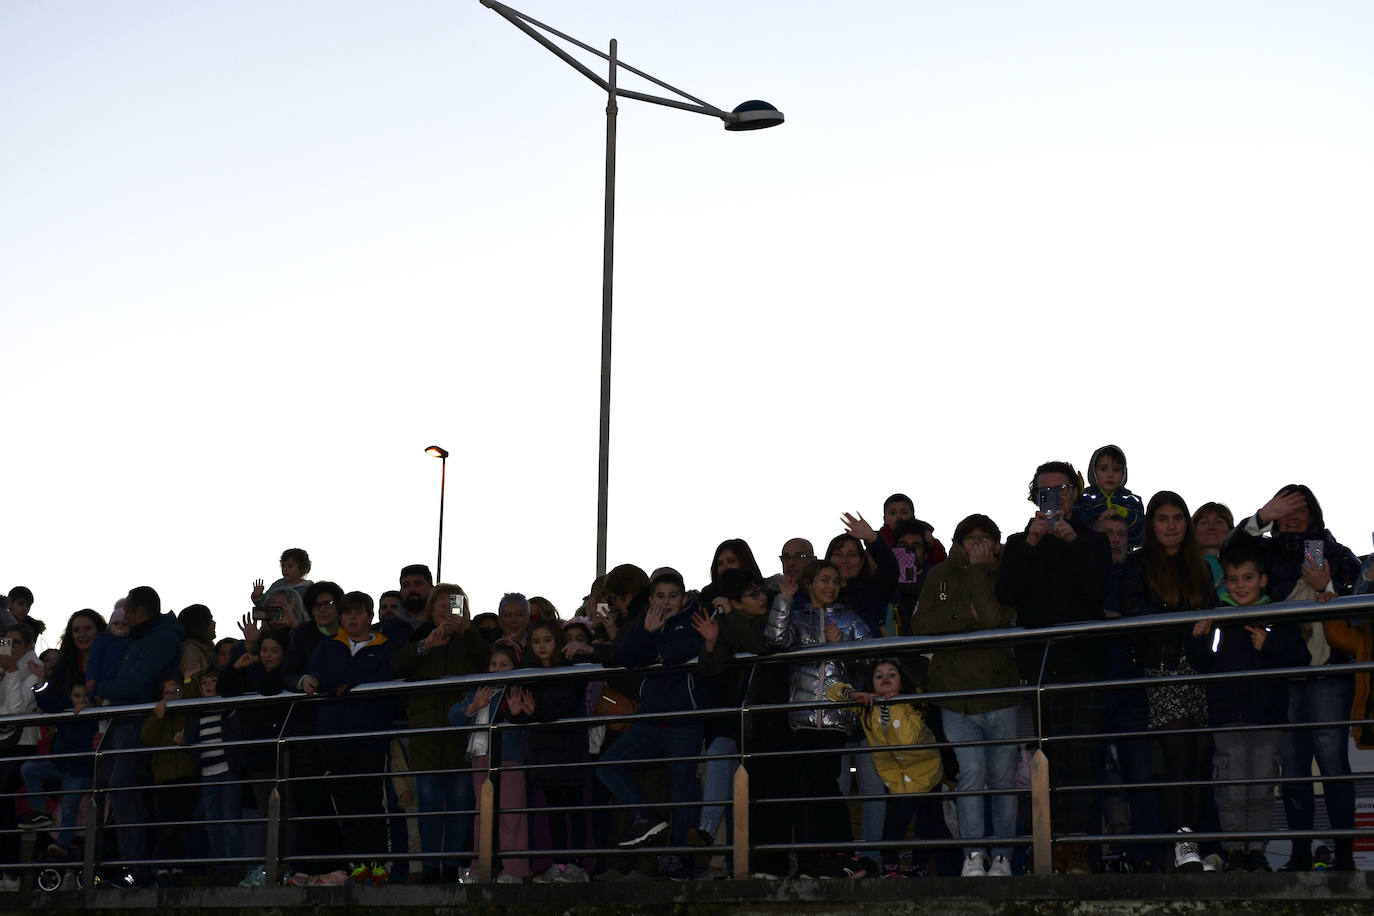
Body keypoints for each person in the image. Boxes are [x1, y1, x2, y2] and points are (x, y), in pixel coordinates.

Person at [1234, 484, 1362, 871]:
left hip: (1328, 671)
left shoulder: (1335, 551)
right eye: (1285, 509)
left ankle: (1344, 857)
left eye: (1300, 510)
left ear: (1315, 515)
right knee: (1292, 766)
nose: (1292, 517)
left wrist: (1327, 587)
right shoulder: (1263, 551)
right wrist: (1261, 516)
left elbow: (1361, 594)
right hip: (1284, 667)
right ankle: (1300, 854)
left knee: (1332, 760)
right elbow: (1230, 553)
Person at [995, 460, 1111, 874]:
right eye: (1046, 491)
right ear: (1034, 497)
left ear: (1075, 493)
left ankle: (1078, 849)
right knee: (1047, 759)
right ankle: (1051, 846)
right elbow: (1007, 592)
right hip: (1041, 665)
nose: (1055, 497)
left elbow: (1098, 589)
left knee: (1084, 759)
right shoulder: (1019, 542)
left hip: (1083, 662)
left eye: (1062, 488)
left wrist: (1073, 541)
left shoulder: (1093, 540)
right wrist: (1031, 543)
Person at [1188, 538, 1309, 872]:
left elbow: (1301, 659)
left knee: (1261, 788)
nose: (1240, 586)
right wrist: (1197, 638)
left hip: (1267, 719)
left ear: (1263, 580)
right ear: (1224, 582)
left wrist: (1270, 644)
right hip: (1227, 718)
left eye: (1247, 578)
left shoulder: (1278, 616)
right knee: (1231, 788)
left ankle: (1256, 849)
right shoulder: (1217, 618)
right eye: (1233, 579)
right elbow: (1201, 663)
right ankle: (1234, 851)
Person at [912, 514, 1019, 878]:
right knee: (971, 775)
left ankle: (1003, 857)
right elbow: (920, 624)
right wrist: (963, 613)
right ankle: (972, 855)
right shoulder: (939, 575)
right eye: (970, 538)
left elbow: (995, 618)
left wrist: (978, 573)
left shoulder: (1006, 572)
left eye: (984, 538)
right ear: (957, 543)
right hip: (956, 696)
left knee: (1003, 780)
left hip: (1001, 693)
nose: (978, 544)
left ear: (996, 543)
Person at [1122, 491, 1218, 872]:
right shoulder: (1138, 563)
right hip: (1160, 670)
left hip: (1197, 670)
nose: (1171, 525)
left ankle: (1195, 844)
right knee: (1177, 758)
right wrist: (1184, 621)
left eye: (1178, 518)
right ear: (1151, 524)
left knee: (1199, 761)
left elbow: (1212, 612)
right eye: (1163, 518)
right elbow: (1133, 610)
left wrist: (1205, 624)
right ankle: (1183, 844)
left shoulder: (1201, 567)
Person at [765, 556, 872, 879]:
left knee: (825, 783)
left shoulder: (850, 619)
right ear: (810, 584)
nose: (831, 586)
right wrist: (784, 599)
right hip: (801, 719)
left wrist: (843, 643)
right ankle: (810, 861)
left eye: (835, 581)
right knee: (803, 788)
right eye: (824, 580)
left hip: (836, 719)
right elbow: (775, 640)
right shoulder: (797, 617)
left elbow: (870, 658)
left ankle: (841, 854)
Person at [595, 569, 706, 880]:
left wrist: (652, 642)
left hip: (685, 717)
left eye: (672, 596)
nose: (666, 602)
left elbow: (677, 652)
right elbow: (624, 656)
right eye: (660, 596)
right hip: (652, 716)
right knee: (608, 765)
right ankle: (647, 816)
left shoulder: (695, 617)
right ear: (651, 599)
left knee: (682, 789)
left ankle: (682, 860)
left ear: (683, 598)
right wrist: (646, 631)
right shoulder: (646, 621)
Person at [391, 583, 490, 884]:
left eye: (454, 606)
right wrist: (426, 646)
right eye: (442, 606)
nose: (448, 612)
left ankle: (452, 866)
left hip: (463, 731)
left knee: (461, 801)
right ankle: (430, 866)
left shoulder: (474, 639)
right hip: (427, 732)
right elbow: (397, 666)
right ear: (431, 610)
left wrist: (467, 631)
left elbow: (490, 663)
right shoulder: (420, 636)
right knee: (429, 802)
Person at [694, 568, 789, 878]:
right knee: (720, 753)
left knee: (757, 792)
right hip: (734, 719)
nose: (762, 598)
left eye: (761, 591)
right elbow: (711, 668)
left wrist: (732, 614)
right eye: (753, 594)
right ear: (736, 601)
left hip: (766, 721)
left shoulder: (768, 619)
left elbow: (759, 644)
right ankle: (707, 832)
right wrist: (710, 644)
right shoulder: (725, 624)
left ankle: (752, 861)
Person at [300, 591, 398, 885]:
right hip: (333, 737)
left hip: (369, 736)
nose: (352, 618)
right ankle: (357, 863)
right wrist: (333, 685)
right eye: (347, 613)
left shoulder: (385, 647)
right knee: (345, 802)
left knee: (372, 800)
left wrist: (342, 685)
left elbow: (381, 681)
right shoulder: (329, 646)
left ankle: (379, 863)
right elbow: (319, 675)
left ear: (370, 616)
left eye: (358, 612)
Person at [99, 586, 184, 886]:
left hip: (136, 724)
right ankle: (134, 869)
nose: (124, 616)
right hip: (129, 723)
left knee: (124, 793)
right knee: (124, 795)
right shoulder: (148, 637)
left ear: (141, 612)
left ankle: (138, 871)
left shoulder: (160, 640)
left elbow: (132, 683)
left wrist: (100, 688)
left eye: (128, 610)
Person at [827, 660, 943, 878]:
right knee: (894, 824)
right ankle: (890, 866)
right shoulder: (867, 707)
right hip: (898, 779)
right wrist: (854, 694)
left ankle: (920, 865)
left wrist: (895, 705)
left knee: (926, 823)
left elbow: (908, 739)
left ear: (902, 682)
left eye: (892, 674)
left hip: (926, 774)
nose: (885, 678)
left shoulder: (912, 704)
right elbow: (832, 692)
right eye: (878, 676)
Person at [513, 619, 591, 884]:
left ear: (557, 641)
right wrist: (518, 714)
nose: (542, 646)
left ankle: (577, 864)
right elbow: (522, 709)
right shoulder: (527, 672)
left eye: (547, 640)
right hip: (543, 750)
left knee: (575, 808)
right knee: (555, 810)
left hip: (570, 749)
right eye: (536, 641)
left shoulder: (570, 669)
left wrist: (534, 712)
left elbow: (562, 705)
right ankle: (559, 864)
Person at [217, 630, 295, 887]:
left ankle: (284, 866)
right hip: (258, 753)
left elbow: (271, 687)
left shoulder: (287, 671)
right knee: (266, 812)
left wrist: (257, 665)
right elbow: (225, 690)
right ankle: (267, 867)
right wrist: (236, 667)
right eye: (264, 650)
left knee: (285, 812)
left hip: (284, 751)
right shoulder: (251, 671)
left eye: (274, 651)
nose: (268, 655)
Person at [453, 640, 528, 884]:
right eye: (493, 664)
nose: (497, 669)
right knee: (481, 815)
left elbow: (526, 724)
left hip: (508, 758)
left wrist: (517, 715)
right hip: (479, 757)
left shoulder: (516, 689)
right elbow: (454, 715)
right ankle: (480, 870)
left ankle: (514, 870)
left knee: (511, 814)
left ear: (515, 667)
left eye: (504, 664)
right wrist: (474, 706)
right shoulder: (479, 689)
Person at [19, 682, 98, 862]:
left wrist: (88, 710)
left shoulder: (95, 712)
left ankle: (62, 844)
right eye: (77, 696)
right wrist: (39, 684)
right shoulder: (65, 708)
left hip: (81, 770)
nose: (81, 700)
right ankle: (41, 813)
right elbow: (49, 703)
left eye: (85, 696)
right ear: (70, 697)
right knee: (28, 769)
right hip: (62, 765)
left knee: (69, 801)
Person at [183, 667, 247, 885]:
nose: (209, 686)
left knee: (230, 821)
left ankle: (234, 867)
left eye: (213, 681)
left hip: (228, 770)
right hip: (207, 773)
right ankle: (219, 867)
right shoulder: (198, 711)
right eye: (204, 683)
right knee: (212, 823)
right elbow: (191, 736)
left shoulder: (227, 707)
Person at [0, 623, 41, 887]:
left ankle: (11, 871)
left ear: (28, 646)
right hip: (2, 743)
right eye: (7, 642)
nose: (10, 648)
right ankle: (7, 870)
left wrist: (13, 670)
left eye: (16, 643)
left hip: (22, 744)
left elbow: (15, 711)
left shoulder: (36, 669)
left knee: (2, 794)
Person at [1072, 444, 1146, 547]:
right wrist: (1076, 497)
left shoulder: (1132, 500)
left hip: (1123, 555)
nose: (1110, 475)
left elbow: (1139, 538)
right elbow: (1075, 528)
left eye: (1116, 470)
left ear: (1123, 473)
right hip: (1090, 554)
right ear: (1093, 471)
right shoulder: (1085, 498)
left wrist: (1126, 515)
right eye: (1103, 469)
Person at [1193, 502, 1234, 596]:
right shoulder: (1182, 567)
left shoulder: (1245, 565)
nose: (1211, 527)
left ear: (1231, 530)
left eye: (1219, 522)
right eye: (1204, 522)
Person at [397, 564, 434, 632]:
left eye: (418, 584)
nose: (412, 589)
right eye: (406, 585)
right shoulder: (389, 629)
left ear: (431, 588)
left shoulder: (444, 624)